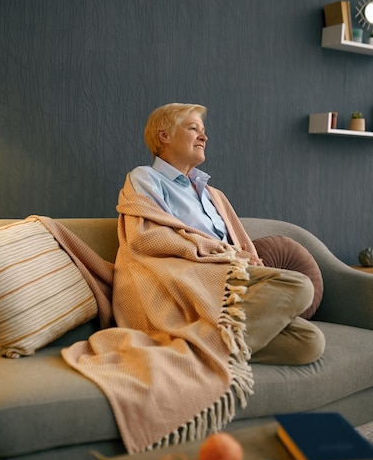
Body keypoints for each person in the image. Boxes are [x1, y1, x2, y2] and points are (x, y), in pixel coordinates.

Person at [123, 102, 325, 366]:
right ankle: (199, 350)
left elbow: (240, 245)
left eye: (203, 130)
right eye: (193, 128)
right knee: (299, 284)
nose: (204, 136)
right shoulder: (146, 178)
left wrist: (244, 258)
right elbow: (147, 236)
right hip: (193, 280)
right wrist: (229, 254)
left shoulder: (212, 194)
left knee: (309, 342)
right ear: (165, 136)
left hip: (230, 283)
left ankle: (196, 349)